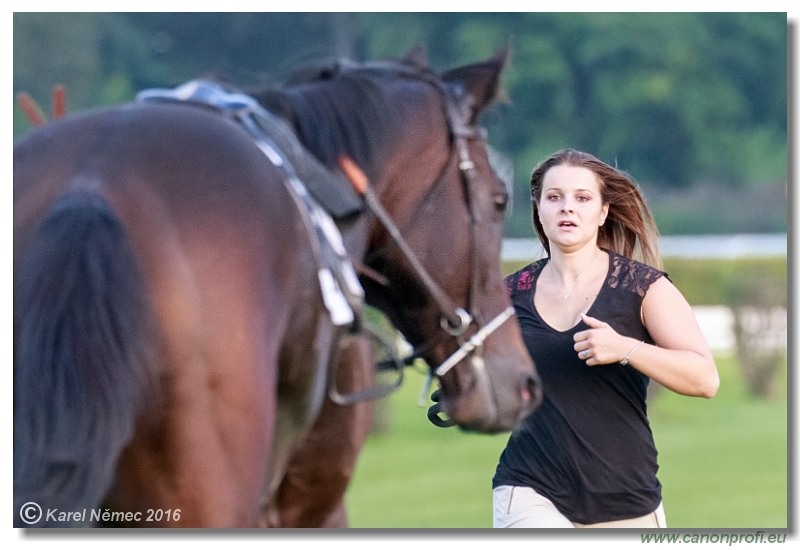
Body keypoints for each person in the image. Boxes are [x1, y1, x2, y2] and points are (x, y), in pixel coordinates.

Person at [492, 149, 719, 528]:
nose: (567, 208)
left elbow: (705, 378)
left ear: (602, 212)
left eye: (582, 198)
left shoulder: (644, 288)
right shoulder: (507, 295)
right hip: (529, 488)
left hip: (627, 499)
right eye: (554, 197)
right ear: (538, 210)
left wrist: (626, 348)